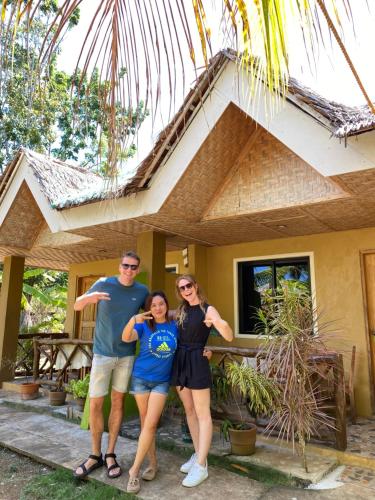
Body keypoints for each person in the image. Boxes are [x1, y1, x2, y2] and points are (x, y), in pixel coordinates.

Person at [73, 251, 148, 480]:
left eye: (134, 267)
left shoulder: (141, 291)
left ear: (138, 269)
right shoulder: (104, 283)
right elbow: (77, 306)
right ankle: (95, 455)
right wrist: (89, 298)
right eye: (126, 266)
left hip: (126, 356)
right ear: (119, 266)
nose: (129, 270)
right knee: (95, 403)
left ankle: (110, 454)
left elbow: (153, 313)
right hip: (102, 354)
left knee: (117, 402)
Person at [170, 274, 233, 487]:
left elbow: (229, 335)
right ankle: (199, 455)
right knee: (189, 412)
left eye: (189, 285)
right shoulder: (180, 311)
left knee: (203, 414)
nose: (186, 290)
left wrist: (218, 322)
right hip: (181, 361)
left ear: (196, 286)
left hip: (197, 362)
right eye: (182, 288)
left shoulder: (208, 309)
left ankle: (201, 466)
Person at [122, 291, 178, 494]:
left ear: (166, 305)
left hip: (161, 382)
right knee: (147, 425)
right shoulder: (143, 324)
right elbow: (126, 336)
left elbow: (189, 340)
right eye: (153, 305)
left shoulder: (174, 324)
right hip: (141, 379)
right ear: (149, 308)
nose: (157, 308)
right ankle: (153, 463)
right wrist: (132, 320)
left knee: (151, 423)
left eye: (161, 304)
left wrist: (204, 350)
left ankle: (134, 471)